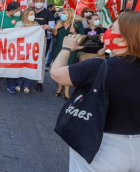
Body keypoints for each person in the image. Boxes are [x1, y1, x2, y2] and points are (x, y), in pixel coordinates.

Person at [50, 12, 140, 171]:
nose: (107, 31)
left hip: (100, 147)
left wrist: (66, 49)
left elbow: (56, 73)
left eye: (112, 28)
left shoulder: (98, 67)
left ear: (122, 39)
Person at [52, 8, 84, 100]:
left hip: (70, 49)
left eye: (64, 13)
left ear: (70, 14)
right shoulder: (59, 23)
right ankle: (59, 87)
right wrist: (56, 28)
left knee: (68, 68)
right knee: (59, 67)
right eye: (62, 13)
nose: (62, 14)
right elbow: (54, 36)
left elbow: (82, 36)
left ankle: (66, 91)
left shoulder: (77, 24)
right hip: (58, 48)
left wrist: (74, 32)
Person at [0, 2, 21, 94]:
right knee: (0, 63)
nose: (19, 11)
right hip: (1, 45)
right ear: (11, 10)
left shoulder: (18, 17)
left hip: (13, 46)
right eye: (17, 10)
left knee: (11, 65)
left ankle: (11, 85)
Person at [15, 7, 40, 93]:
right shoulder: (19, 24)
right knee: (20, 66)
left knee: (29, 66)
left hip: (31, 49)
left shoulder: (37, 24)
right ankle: (18, 84)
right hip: (21, 49)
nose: (33, 16)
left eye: (33, 14)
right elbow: (14, 35)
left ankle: (26, 85)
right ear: (26, 15)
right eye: (31, 14)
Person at [33, 0, 55, 92]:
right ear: (34, 1)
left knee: (41, 61)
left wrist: (49, 27)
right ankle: (26, 80)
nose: (39, 2)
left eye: (41, 1)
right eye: (37, 0)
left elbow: (52, 28)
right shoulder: (29, 11)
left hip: (43, 40)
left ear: (44, 1)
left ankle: (39, 82)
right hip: (29, 40)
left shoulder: (48, 13)